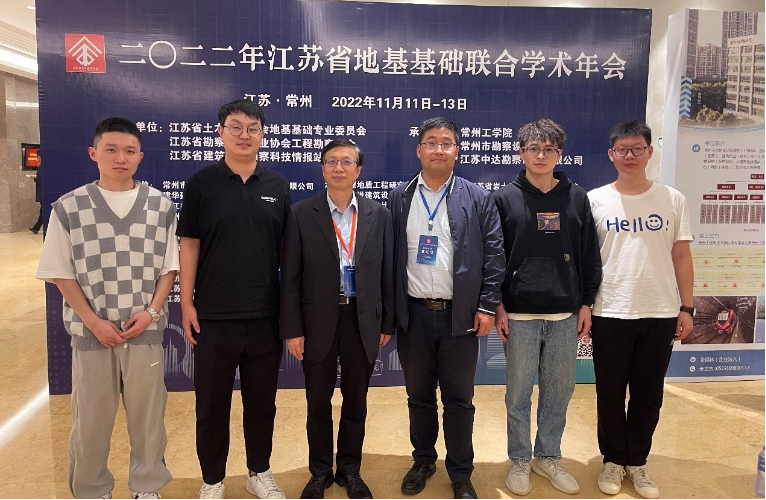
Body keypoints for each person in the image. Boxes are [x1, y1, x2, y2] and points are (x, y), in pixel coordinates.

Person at [35, 117, 177, 499]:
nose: (120, 158)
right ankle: (91, 488)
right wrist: (93, 322)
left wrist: (152, 312)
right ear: (93, 153)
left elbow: (169, 268)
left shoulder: (161, 206)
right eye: (111, 149)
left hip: (144, 331)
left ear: (141, 156)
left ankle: (147, 485)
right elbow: (60, 273)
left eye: (129, 151)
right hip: (92, 334)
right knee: (91, 420)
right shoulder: (69, 208)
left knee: (149, 418)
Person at [177, 99, 291, 500]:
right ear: (221, 132)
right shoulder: (201, 183)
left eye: (253, 128)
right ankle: (212, 480)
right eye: (236, 126)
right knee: (211, 406)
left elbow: (287, 252)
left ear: (263, 135)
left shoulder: (277, 186)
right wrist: (186, 303)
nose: (245, 135)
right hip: (213, 316)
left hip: (265, 317)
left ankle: (259, 471)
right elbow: (189, 244)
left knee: (262, 404)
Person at [389, 117, 505, 500]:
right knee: (419, 396)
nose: (438, 149)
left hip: (461, 317)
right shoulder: (400, 197)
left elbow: (495, 255)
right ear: (419, 149)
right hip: (414, 316)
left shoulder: (477, 197)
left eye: (446, 142)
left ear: (457, 150)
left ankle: (460, 472)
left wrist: (487, 305)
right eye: (431, 142)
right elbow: (389, 259)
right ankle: (423, 460)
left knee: (459, 400)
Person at [492, 119, 602, 496]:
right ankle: (520, 459)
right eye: (533, 148)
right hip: (519, 314)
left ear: (560, 154)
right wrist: (497, 304)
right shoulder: (504, 198)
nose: (541, 155)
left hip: (565, 314)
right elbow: (495, 257)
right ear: (521, 152)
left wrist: (586, 302)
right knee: (518, 393)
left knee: (559, 391)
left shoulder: (577, 198)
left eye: (549, 149)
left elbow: (589, 254)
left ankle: (548, 456)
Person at [280, 139, 395, 500]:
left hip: (362, 320)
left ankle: (349, 470)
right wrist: (293, 329)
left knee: (356, 401)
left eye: (347, 162)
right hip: (317, 321)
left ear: (359, 170)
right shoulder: (301, 213)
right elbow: (291, 276)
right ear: (322, 168)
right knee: (317, 402)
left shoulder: (379, 215)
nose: (339, 168)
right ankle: (319, 472)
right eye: (331, 161)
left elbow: (388, 273)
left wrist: (387, 323)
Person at [588, 120, 694, 500]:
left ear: (650, 152)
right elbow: (587, 260)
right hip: (610, 310)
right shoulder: (595, 200)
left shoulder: (672, 199)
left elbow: (681, 255)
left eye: (637, 148)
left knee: (649, 394)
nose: (630, 155)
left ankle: (637, 461)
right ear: (611, 154)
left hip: (660, 311)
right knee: (610, 392)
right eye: (622, 149)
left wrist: (687, 306)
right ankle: (613, 459)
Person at [29, 155, 43, 234]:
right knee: (42, 210)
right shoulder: (41, 166)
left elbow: (40, 180)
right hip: (42, 192)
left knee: (43, 211)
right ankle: (36, 228)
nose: (37, 158)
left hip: (42, 192)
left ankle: (36, 228)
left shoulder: (41, 167)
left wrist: (34, 178)